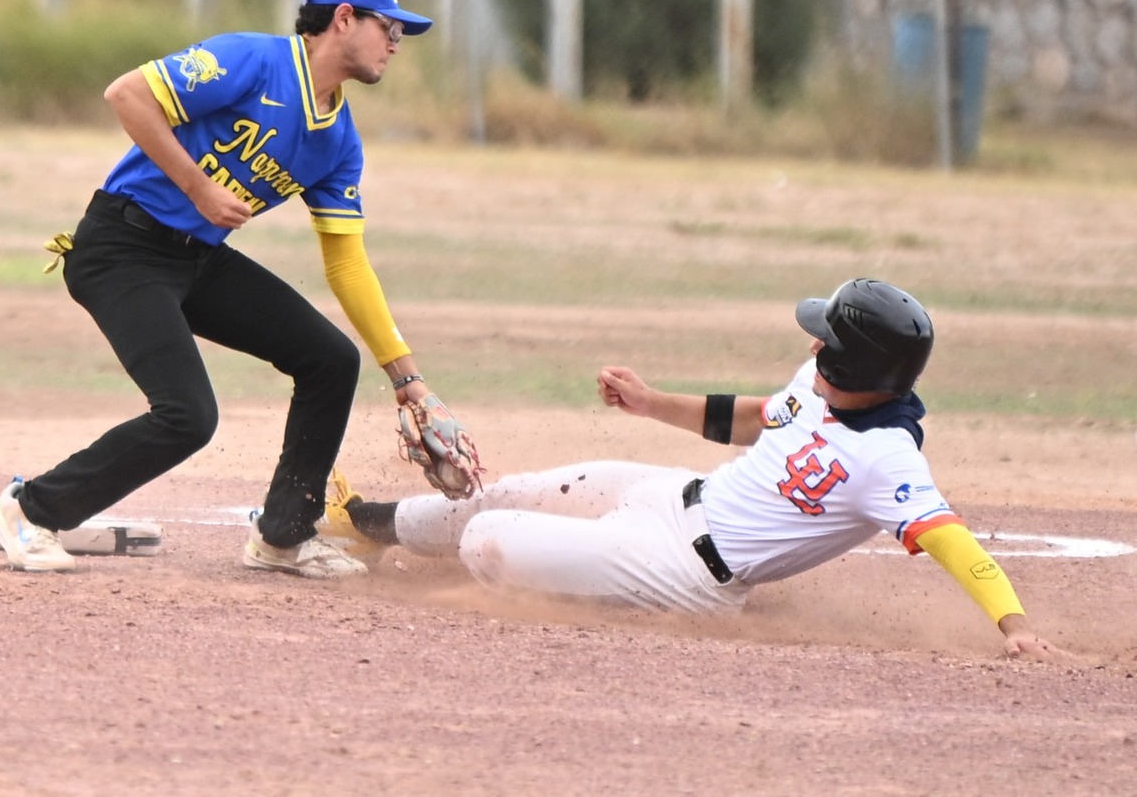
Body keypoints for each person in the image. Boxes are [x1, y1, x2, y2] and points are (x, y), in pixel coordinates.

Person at [0, 0, 472, 579]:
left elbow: (347, 263)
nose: (397, 42)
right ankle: (30, 510)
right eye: (390, 26)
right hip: (120, 247)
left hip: (196, 259)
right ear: (345, 18)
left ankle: (283, 536)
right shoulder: (252, 61)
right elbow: (127, 95)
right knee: (187, 416)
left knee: (330, 360)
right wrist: (197, 187)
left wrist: (408, 378)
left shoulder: (338, 140)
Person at [326, 278, 1063, 659]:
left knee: (488, 542)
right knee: (508, 495)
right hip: (674, 494)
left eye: (828, 340)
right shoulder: (822, 383)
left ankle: (552, 590)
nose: (813, 345)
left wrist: (1015, 626)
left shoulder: (887, 460)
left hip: (685, 574)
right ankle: (367, 526)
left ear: (856, 364)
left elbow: (951, 541)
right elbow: (754, 418)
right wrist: (651, 403)